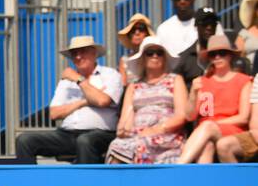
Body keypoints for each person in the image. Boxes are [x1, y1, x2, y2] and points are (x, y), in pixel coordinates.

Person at [15, 35, 123, 163]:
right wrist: (84, 102)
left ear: (94, 53)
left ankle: (87, 183)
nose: (78, 57)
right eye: (74, 53)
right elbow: (54, 113)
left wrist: (79, 80)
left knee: (85, 141)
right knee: (24, 140)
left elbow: (102, 101)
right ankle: (30, 182)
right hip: (67, 134)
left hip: (101, 134)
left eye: (82, 51)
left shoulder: (110, 74)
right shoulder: (66, 81)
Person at [105, 36, 186, 164]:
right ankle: (119, 183)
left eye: (159, 53)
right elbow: (126, 117)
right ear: (143, 58)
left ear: (165, 58)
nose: (155, 56)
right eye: (150, 53)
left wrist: (157, 129)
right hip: (137, 134)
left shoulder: (175, 80)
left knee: (139, 145)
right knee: (116, 145)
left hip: (166, 134)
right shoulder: (134, 86)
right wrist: (123, 129)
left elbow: (181, 116)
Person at [178, 36, 253, 164]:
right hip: (203, 134)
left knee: (207, 126)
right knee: (206, 146)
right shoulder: (202, 82)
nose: (217, 57)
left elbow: (243, 117)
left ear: (230, 55)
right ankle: (203, 183)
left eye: (222, 53)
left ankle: (178, 167)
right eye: (213, 54)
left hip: (232, 131)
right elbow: (190, 116)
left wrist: (214, 124)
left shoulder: (243, 81)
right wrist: (193, 94)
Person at [116, 12, 153, 84]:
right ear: (129, 35)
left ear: (147, 34)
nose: (137, 33)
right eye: (133, 30)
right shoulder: (124, 60)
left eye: (141, 29)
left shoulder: (155, 56)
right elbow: (122, 85)